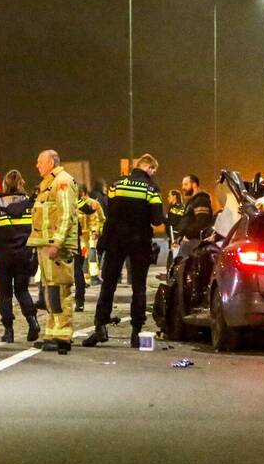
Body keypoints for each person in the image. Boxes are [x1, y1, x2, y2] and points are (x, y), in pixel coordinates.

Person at [84, 153, 164, 348]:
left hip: (116, 240)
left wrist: (104, 243)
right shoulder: (151, 189)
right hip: (139, 243)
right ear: (150, 168)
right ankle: (136, 333)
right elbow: (157, 220)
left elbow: (110, 214)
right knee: (139, 287)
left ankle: (100, 327)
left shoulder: (117, 184)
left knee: (108, 285)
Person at [27, 149, 79, 354]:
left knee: (60, 289)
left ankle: (62, 335)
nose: (37, 165)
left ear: (50, 162)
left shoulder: (63, 181)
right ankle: (52, 333)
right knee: (50, 289)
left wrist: (57, 243)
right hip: (46, 244)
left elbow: (67, 215)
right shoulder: (49, 183)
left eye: (40, 161)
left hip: (55, 246)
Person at [0, 170, 41, 343]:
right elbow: (37, 230)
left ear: (5, 184)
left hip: (4, 255)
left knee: (5, 294)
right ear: (21, 184)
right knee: (22, 290)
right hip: (24, 255)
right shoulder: (30, 205)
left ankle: (8, 331)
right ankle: (33, 322)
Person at [75, 184, 106, 311]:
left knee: (91, 255)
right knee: (84, 257)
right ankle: (87, 279)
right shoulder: (77, 203)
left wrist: (95, 231)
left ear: (82, 192)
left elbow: (97, 219)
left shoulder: (92, 203)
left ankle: (92, 277)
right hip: (80, 237)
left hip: (90, 236)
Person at [176, 174, 214, 250]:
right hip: (189, 241)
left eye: (186, 184)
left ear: (194, 185)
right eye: (182, 185)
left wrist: (188, 235)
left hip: (194, 242)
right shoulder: (192, 201)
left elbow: (202, 222)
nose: (183, 188)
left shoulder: (201, 200)